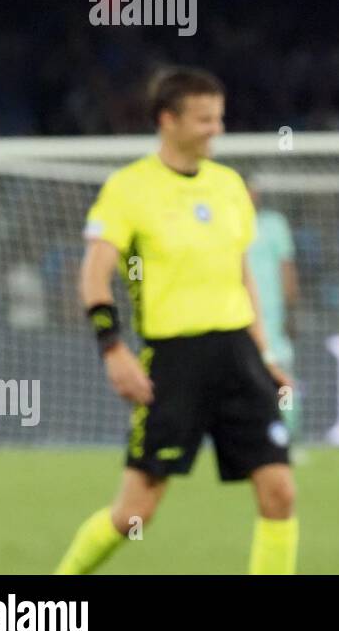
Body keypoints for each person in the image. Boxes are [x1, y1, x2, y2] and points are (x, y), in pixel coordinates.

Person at [55, 67, 297, 575]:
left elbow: (242, 277)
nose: (217, 130)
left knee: (279, 492)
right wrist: (113, 350)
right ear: (168, 120)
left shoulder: (229, 186)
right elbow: (94, 276)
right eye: (205, 119)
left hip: (238, 355)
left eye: (220, 118)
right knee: (135, 513)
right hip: (173, 361)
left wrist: (265, 353)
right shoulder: (128, 189)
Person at [247, 181, 301, 439]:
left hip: (272, 315)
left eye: (253, 191)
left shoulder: (274, 223)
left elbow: (286, 267)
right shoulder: (227, 223)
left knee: (282, 376)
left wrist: (291, 311)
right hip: (236, 315)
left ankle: (287, 437)